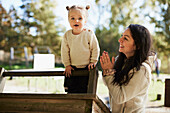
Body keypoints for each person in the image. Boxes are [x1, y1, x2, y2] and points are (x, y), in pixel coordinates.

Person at [100, 24, 155, 113]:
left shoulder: (142, 70)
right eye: (122, 36)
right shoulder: (120, 60)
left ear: (137, 45)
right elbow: (111, 86)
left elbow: (120, 97)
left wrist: (109, 73)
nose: (120, 40)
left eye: (125, 38)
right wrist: (107, 71)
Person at [61, 5, 100, 93]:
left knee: (85, 89)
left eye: (80, 18)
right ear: (68, 20)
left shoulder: (89, 34)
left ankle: (86, 105)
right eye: (73, 18)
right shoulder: (67, 35)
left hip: (87, 67)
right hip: (72, 67)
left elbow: (95, 48)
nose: (76, 21)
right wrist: (67, 64)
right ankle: (72, 104)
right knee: (71, 90)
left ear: (85, 20)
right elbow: (64, 51)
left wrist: (93, 61)